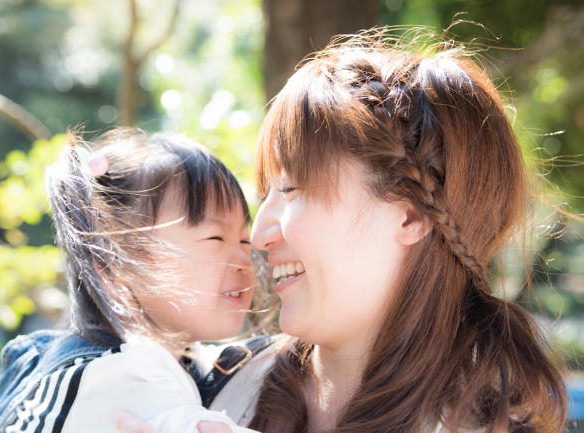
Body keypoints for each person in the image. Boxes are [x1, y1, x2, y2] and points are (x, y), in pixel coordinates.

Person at [115, 30, 567, 433]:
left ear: (409, 215)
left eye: (291, 188)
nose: (258, 235)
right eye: (265, 194)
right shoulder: (200, 389)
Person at [0, 129, 279, 433]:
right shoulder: (117, 377)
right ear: (117, 266)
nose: (245, 261)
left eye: (245, 241)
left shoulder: (155, 360)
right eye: (215, 237)